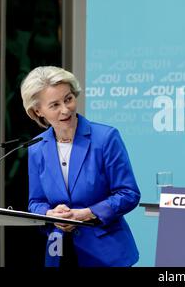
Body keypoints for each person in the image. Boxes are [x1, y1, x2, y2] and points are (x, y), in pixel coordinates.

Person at [20, 66, 141, 267]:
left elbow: (128, 194)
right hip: (59, 252)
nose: (65, 109)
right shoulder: (36, 148)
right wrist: (50, 214)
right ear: (38, 111)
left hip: (106, 253)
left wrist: (85, 214)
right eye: (55, 105)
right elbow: (36, 202)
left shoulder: (105, 138)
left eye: (68, 99)